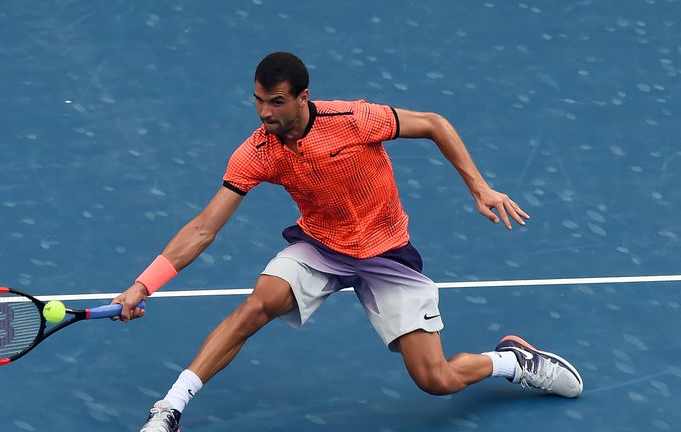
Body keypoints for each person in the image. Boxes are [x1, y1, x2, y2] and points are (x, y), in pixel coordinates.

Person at [112, 52, 583, 432]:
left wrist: (479, 186)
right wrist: (144, 285)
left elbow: (435, 123)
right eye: (258, 100)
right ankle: (169, 410)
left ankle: (510, 362)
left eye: (276, 102)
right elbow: (203, 227)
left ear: (303, 98)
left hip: (386, 252)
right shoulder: (257, 151)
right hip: (320, 246)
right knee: (257, 305)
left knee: (435, 381)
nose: (264, 112)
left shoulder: (354, 119)